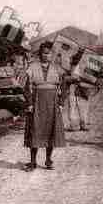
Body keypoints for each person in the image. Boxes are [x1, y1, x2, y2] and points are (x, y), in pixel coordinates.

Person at [23, 41, 66, 171]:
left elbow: (64, 87)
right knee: (34, 130)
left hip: (52, 103)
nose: (47, 55)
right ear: (40, 54)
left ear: (52, 54)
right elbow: (26, 88)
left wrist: (61, 102)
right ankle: (32, 162)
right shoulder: (32, 67)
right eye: (44, 53)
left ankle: (48, 159)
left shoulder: (58, 69)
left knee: (51, 130)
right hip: (37, 102)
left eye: (49, 53)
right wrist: (29, 103)